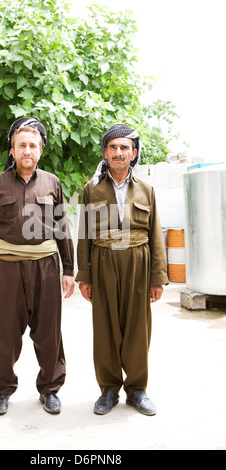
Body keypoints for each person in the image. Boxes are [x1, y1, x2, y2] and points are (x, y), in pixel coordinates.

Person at [0, 117, 75, 416]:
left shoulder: (52, 183)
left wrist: (68, 270)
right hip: (7, 267)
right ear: (12, 150)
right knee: (5, 333)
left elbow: (62, 228)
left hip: (45, 266)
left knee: (48, 332)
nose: (27, 150)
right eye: (22, 145)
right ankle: (3, 390)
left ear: (40, 150)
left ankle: (50, 389)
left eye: (33, 145)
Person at [76, 123, 169, 416]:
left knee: (138, 328)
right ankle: (108, 389)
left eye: (124, 147)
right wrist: (85, 276)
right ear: (105, 152)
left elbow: (156, 234)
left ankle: (137, 390)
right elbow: (84, 235)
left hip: (138, 263)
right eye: (113, 147)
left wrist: (158, 277)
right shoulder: (91, 190)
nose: (118, 152)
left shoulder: (147, 190)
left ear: (134, 153)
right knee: (105, 326)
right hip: (103, 261)